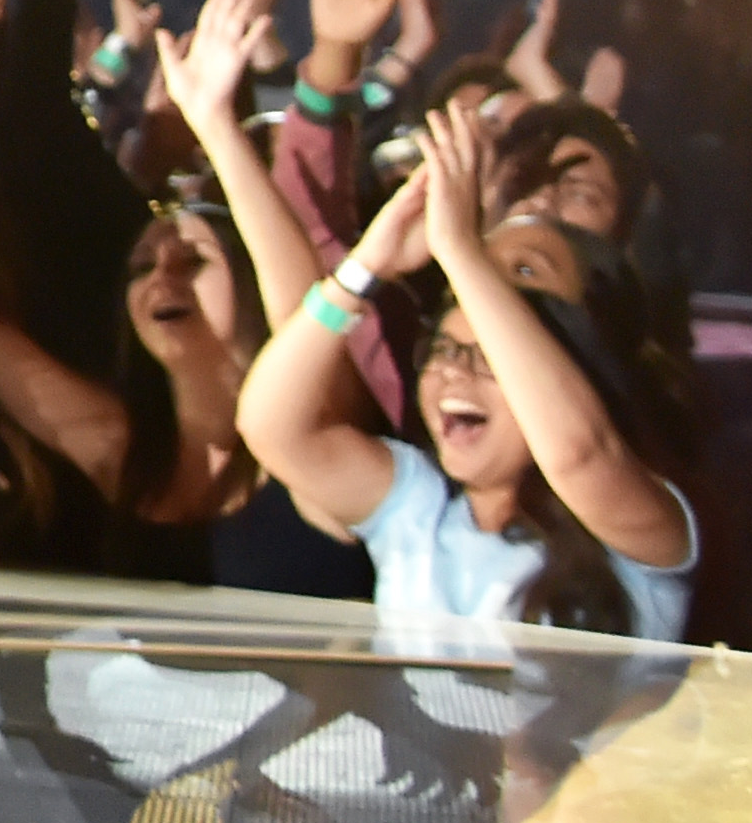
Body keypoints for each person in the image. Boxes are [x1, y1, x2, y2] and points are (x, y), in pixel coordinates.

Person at [235, 95, 699, 642]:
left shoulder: (645, 522)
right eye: (448, 350)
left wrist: (459, 248)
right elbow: (271, 427)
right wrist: (367, 266)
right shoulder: (418, 503)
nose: (456, 373)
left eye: (525, 271)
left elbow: (577, 454)